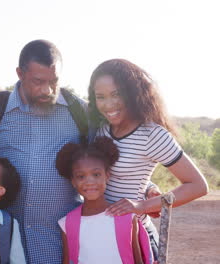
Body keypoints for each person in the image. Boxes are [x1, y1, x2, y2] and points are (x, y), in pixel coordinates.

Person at [88, 58, 209, 260]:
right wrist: (148, 186)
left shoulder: (152, 135)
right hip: (102, 234)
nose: (108, 104)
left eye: (116, 94)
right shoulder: (101, 129)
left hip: (135, 238)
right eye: (101, 97)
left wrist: (143, 205)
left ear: (132, 93)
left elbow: (198, 185)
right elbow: (124, 173)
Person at [0, 39, 86, 263]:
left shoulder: (80, 112)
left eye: (53, 81)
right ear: (20, 73)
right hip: (3, 248)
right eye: (38, 81)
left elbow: (108, 157)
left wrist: (148, 188)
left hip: (59, 250)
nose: (47, 90)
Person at [56, 137, 153, 264]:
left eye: (96, 174)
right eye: (81, 176)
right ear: (73, 181)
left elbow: (137, 260)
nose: (89, 182)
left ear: (107, 176)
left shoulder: (126, 217)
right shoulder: (67, 223)